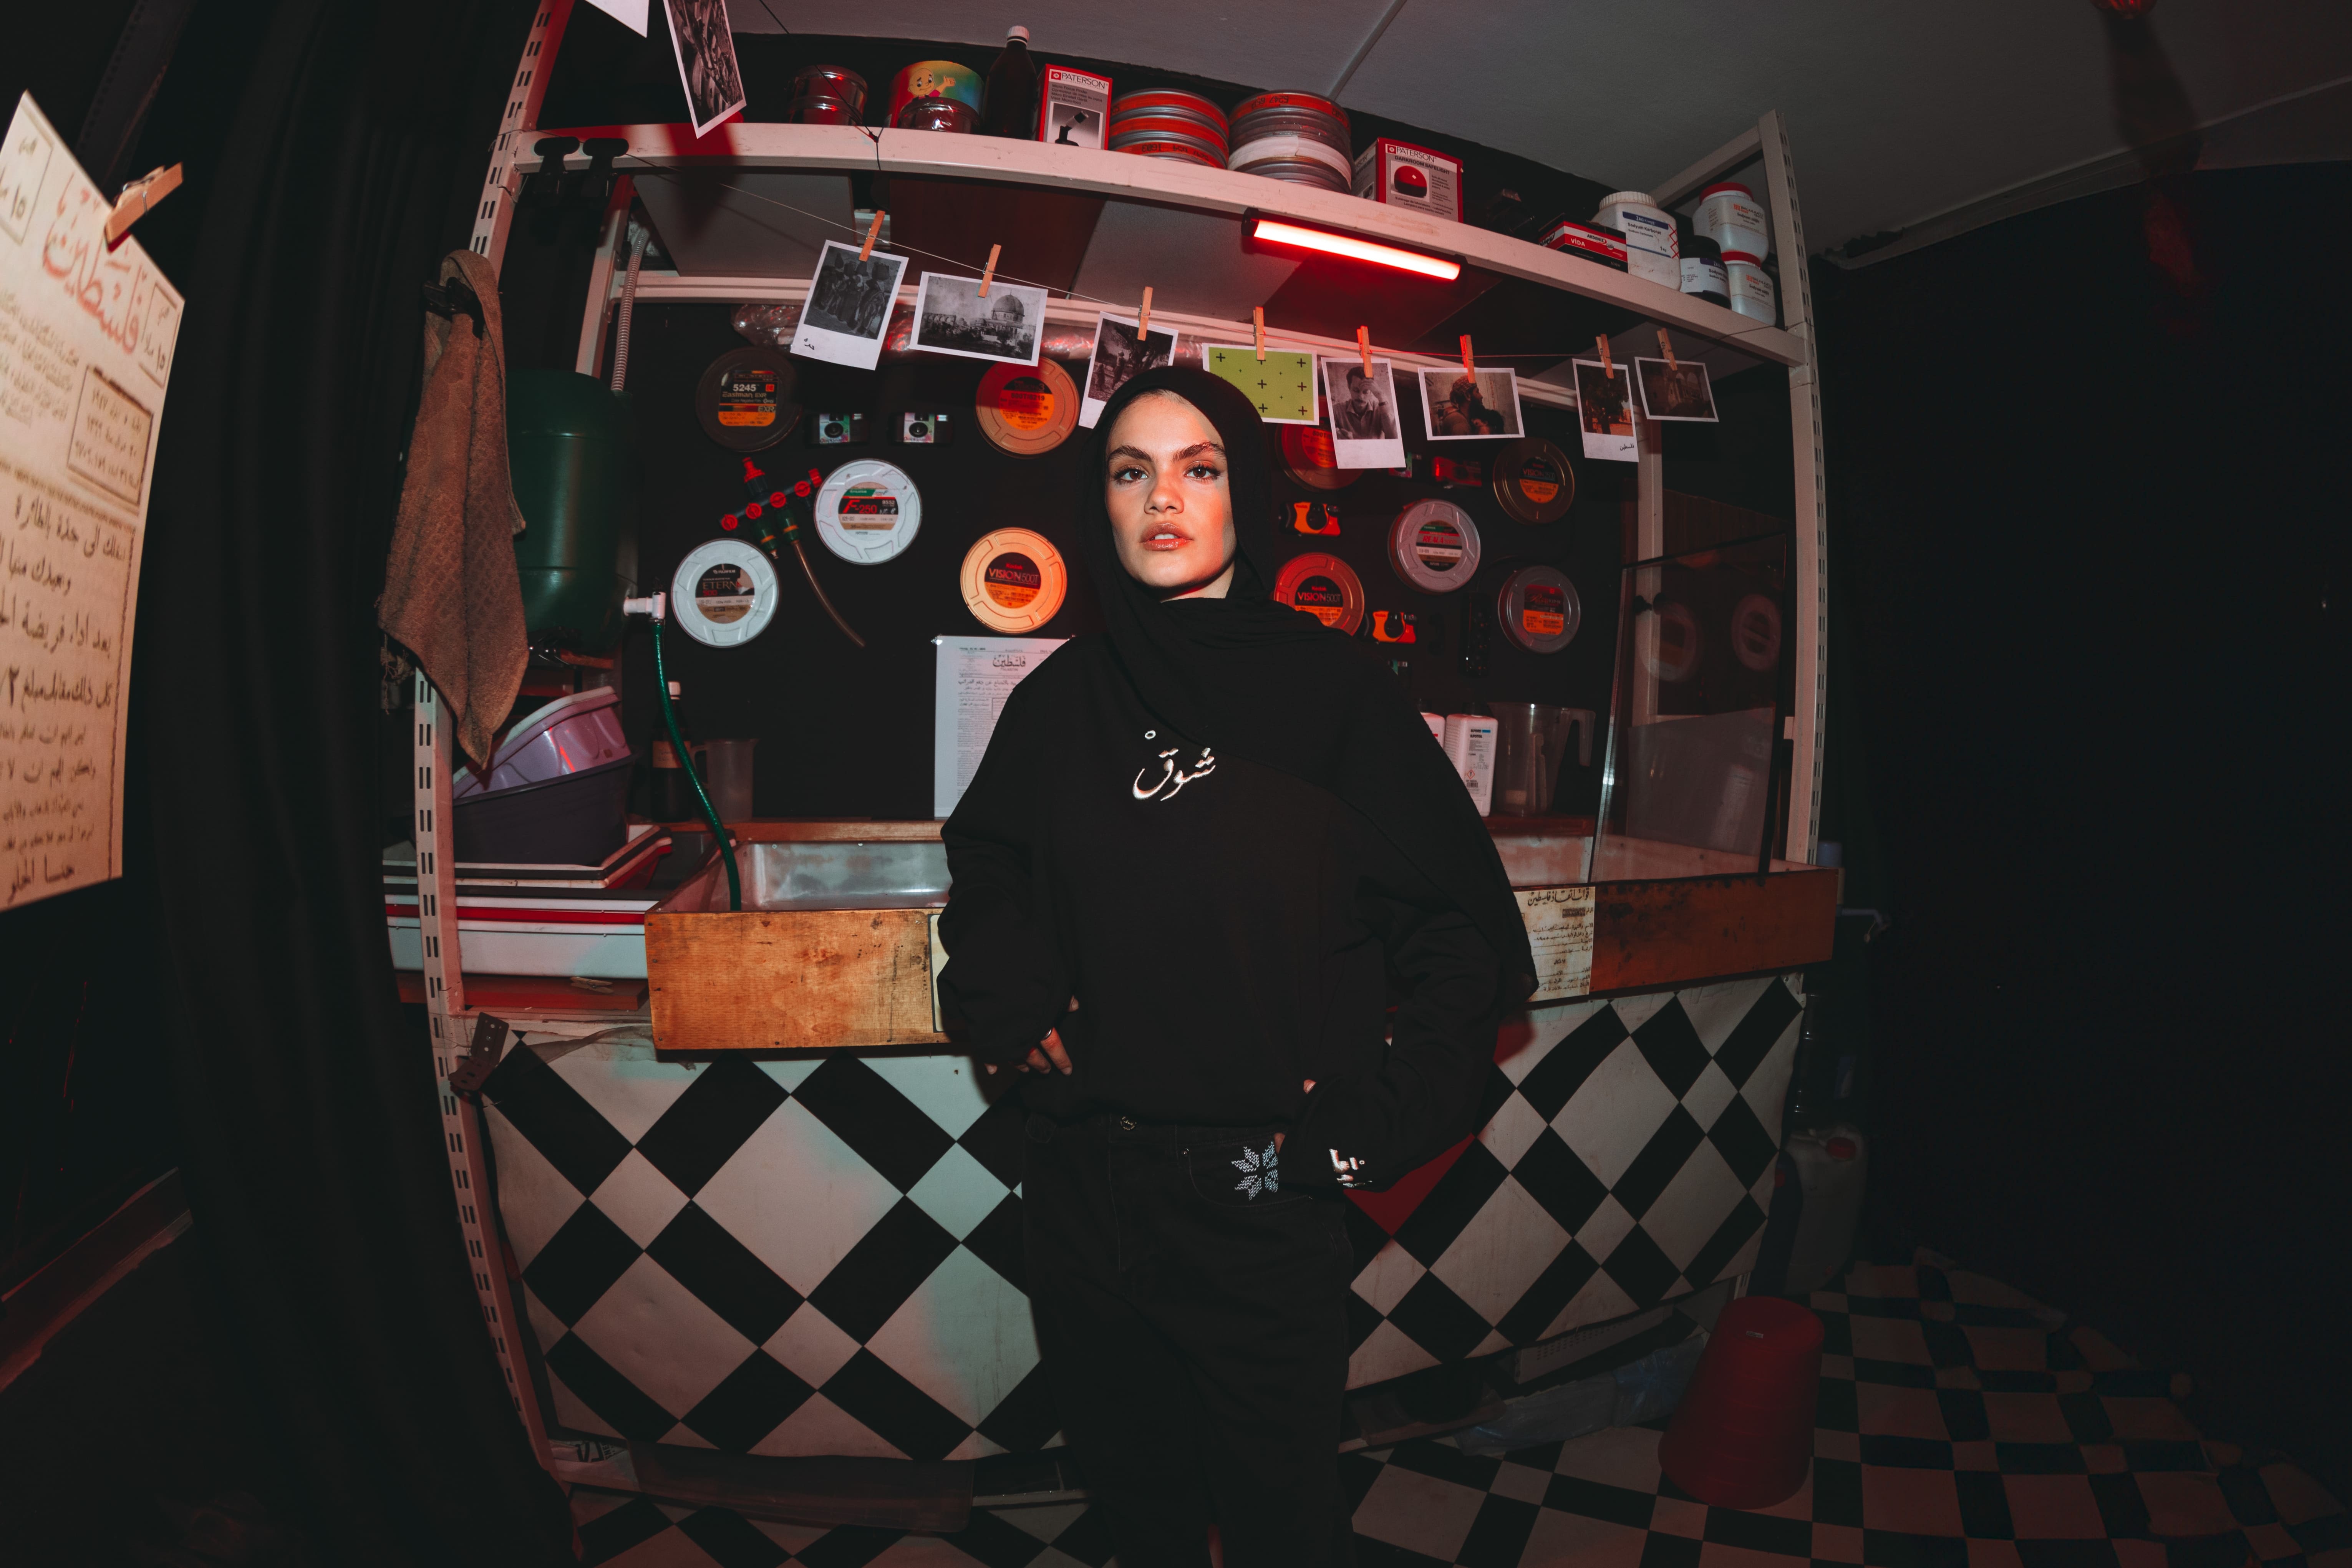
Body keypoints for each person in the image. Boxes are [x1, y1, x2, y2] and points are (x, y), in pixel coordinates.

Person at [938, 367, 1535, 1566]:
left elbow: (1466, 936)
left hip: (1259, 1197)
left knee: (1277, 1526)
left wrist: (1384, 1109)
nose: (1163, 495)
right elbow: (990, 866)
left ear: (1244, 498)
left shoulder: (1335, 696)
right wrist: (995, 972)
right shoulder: (1059, 702)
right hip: (1080, 1187)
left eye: (1198, 466)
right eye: (1129, 468)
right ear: (1098, 504)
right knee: (1139, 1513)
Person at [1332, 365, 1396, 440]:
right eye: (1356, 391)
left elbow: (1394, 439)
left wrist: (1381, 395)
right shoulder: (1336, 411)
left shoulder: (1380, 410)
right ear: (1349, 387)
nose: (1361, 397)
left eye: (1366, 392)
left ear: (1371, 391)